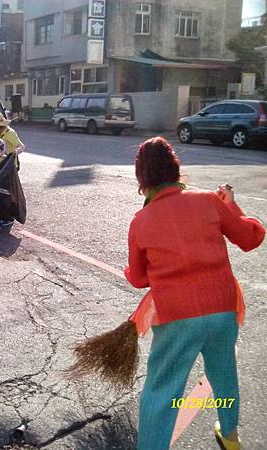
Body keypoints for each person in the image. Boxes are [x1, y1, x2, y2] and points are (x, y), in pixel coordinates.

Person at [125, 137, 265, 450]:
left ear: (142, 179)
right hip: (222, 309)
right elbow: (250, 237)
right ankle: (229, 436)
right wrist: (230, 204)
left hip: (176, 316)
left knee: (162, 391)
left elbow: (137, 278)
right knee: (223, 373)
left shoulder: (141, 221)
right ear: (176, 170)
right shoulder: (208, 201)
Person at [0, 113, 26, 227]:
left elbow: (21, 146)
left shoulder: (10, 133)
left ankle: (8, 217)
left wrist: (14, 153)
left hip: (9, 168)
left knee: (5, 193)